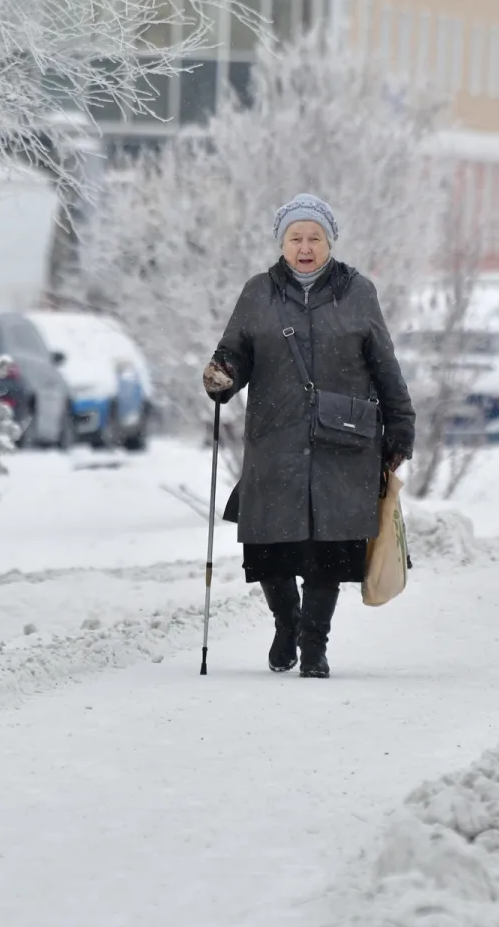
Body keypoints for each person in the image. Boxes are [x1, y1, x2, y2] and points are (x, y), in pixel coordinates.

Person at [202, 194, 416, 678]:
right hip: (276, 437)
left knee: (329, 549)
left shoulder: (358, 292)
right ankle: (287, 623)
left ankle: (314, 646)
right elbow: (234, 351)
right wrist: (223, 374)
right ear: (282, 243)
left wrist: (401, 424)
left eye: (313, 238)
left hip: (343, 443)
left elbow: (385, 363)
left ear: (329, 242)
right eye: (295, 238)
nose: (304, 247)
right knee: (269, 543)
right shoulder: (258, 292)